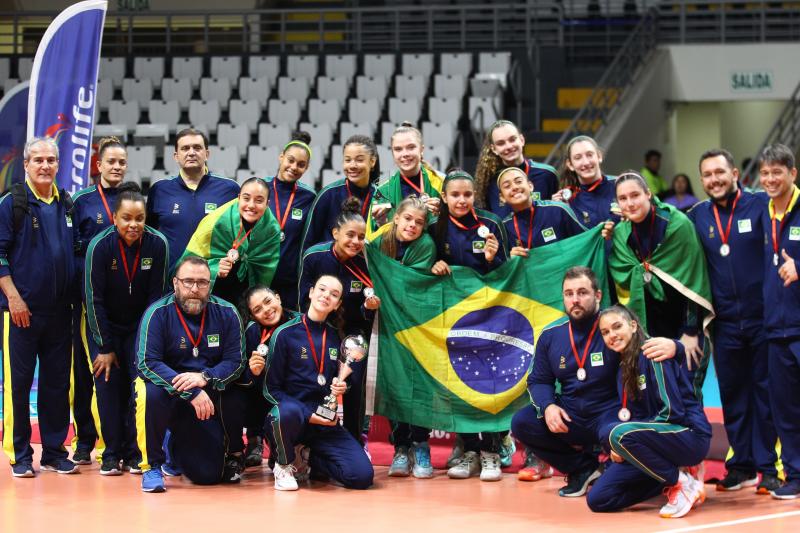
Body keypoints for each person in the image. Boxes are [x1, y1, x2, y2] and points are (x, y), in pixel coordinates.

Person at [511, 266, 680, 498]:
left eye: (582, 292)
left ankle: (616, 470)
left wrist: (676, 347)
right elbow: (539, 380)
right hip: (571, 417)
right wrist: (548, 406)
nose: (575, 300)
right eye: (569, 294)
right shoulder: (551, 336)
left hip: (610, 416)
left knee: (618, 468)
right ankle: (583, 469)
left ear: (597, 296)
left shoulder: (612, 328)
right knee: (522, 422)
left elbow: (647, 348)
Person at [687, 149, 780, 494]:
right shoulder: (697, 215)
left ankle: (769, 468)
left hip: (764, 320)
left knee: (766, 394)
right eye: (707, 175)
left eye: (719, 172)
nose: (714, 179)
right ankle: (741, 465)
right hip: (724, 325)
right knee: (734, 395)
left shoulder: (759, 205)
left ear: (736, 173)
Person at [133, 256, 246, 492]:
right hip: (171, 393)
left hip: (207, 397)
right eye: (188, 282)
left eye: (202, 282)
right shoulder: (157, 313)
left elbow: (235, 362)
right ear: (175, 283)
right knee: (149, 393)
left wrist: (206, 377)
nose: (195, 289)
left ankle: (175, 446)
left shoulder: (227, 313)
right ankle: (152, 466)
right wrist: (191, 391)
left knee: (208, 475)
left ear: (210, 284)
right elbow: (147, 362)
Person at [0, 137, 78, 477]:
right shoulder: (12, 204)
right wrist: (14, 297)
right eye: (38, 160)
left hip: (61, 313)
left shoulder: (67, 203)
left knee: (57, 384)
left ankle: (54, 452)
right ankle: (19, 455)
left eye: (51, 160)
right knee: (18, 384)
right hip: (21, 313)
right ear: (27, 165)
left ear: (58, 165)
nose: (45, 165)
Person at [587, 305, 710, 518]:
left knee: (616, 433)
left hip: (687, 434)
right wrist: (626, 448)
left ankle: (683, 484)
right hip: (657, 441)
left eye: (617, 327)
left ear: (633, 325)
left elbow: (672, 412)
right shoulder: (623, 368)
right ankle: (672, 476)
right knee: (599, 498)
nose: (612, 335)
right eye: (605, 332)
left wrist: (627, 438)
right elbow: (636, 418)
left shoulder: (653, 351)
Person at [84, 183, 169, 475]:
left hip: (139, 328)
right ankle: (110, 453)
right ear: (115, 218)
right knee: (107, 388)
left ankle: (135, 453)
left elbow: (155, 299)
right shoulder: (100, 246)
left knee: (139, 387)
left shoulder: (158, 244)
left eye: (139, 218)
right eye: (127, 218)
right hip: (104, 328)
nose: (133, 225)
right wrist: (104, 347)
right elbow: (93, 298)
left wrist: (145, 342)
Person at [429, 169, 509, 481]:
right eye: (455, 195)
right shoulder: (437, 228)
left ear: (474, 195)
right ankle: (470, 451)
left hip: (488, 318)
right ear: (444, 198)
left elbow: (508, 275)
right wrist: (433, 264)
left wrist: (493, 259)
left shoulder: (492, 224)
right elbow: (426, 267)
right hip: (452, 319)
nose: (461, 200)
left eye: (467, 194)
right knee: (460, 384)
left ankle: (491, 453)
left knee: (488, 384)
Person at [264, 274, 374, 491]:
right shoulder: (285, 333)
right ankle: (283, 464)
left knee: (362, 477)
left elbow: (341, 380)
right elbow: (270, 389)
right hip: (292, 418)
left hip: (324, 422)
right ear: (311, 292)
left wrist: (344, 386)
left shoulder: (337, 337)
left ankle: (306, 457)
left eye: (334, 294)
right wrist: (306, 414)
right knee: (285, 413)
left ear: (337, 304)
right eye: (322, 290)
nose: (326, 296)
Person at [608, 171, 713, 395]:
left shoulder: (677, 225)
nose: (630, 202)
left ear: (649, 194)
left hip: (683, 325)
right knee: (655, 394)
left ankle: (696, 431)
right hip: (649, 326)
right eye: (623, 199)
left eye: (635, 195)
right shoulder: (621, 234)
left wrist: (690, 332)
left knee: (687, 392)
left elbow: (693, 280)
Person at [367, 196, 437, 479]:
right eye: (407, 219)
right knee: (394, 382)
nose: (412, 225)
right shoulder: (381, 238)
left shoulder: (426, 246)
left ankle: (421, 445)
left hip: (416, 324)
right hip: (385, 323)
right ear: (396, 217)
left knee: (418, 383)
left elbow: (412, 282)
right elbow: (366, 262)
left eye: (419, 223)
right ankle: (401, 447)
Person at [69, 136, 129, 465]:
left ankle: (118, 441)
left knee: (118, 375)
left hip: (125, 302)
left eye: (122, 162)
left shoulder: (134, 199)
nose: (117, 166)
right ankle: (83, 441)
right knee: (85, 371)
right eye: (111, 162)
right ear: (99, 165)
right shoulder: (82, 202)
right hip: (90, 302)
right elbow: (72, 247)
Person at [298, 198, 376, 444]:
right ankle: (311, 437)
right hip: (320, 328)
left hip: (353, 331)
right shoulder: (314, 257)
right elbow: (303, 301)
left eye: (361, 236)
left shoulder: (366, 262)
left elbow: (367, 312)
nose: (356, 241)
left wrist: (367, 307)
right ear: (335, 234)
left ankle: (354, 438)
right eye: (350, 235)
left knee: (354, 376)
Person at [757, 143, 800, 499]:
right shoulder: (761, 211)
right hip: (776, 329)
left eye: (777, 172)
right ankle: (797, 476)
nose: (770, 179)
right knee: (785, 409)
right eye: (765, 172)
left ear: (792, 173)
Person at [146, 128, 239, 273]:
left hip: (215, 281)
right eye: (185, 148)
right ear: (176, 156)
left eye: (197, 148)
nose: (191, 152)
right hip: (171, 281)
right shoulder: (159, 190)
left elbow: (240, 235)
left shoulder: (230, 189)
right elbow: (148, 236)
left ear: (207, 154)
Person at [180, 177, 281, 307]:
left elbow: (266, 269)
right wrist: (214, 267)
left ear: (267, 204)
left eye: (259, 201)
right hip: (214, 294)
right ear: (239, 198)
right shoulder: (215, 223)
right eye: (246, 198)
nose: (251, 205)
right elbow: (186, 265)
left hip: (246, 296)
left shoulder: (272, 229)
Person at [238, 285, 298, 468]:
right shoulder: (252, 332)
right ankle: (255, 439)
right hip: (264, 391)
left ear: (278, 298)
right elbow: (241, 375)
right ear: (252, 315)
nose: (266, 310)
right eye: (257, 310)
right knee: (247, 388)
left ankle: (284, 445)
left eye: (268, 301)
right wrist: (253, 373)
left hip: (293, 389)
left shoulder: (300, 323)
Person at [265, 132, 318, 308]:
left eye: (301, 164)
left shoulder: (309, 197)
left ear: (307, 168)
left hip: (291, 281)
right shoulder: (261, 188)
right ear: (281, 157)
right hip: (259, 276)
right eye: (291, 160)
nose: (294, 167)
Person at [301, 134, 379, 252]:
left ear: (372, 161)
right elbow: (308, 243)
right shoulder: (328, 195)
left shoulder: (380, 196)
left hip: (365, 269)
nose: (352, 165)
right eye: (348, 160)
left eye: (359, 160)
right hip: (329, 268)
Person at [366, 122, 442, 240]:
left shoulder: (441, 183)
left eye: (411, 147)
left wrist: (444, 212)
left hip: (436, 256)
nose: (405, 154)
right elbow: (370, 241)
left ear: (421, 149)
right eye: (398, 149)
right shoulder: (383, 192)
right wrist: (381, 224)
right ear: (392, 153)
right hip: (395, 257)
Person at [474, 119, 559, 218]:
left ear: (522, 140)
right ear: (494, 149)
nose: (509, 146)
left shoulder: (547, 174)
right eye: (501, 143)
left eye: (512, 139)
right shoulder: (488, 181)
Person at [497, 166, 586, 256]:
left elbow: (585, 239)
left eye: (519, 181)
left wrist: (599, 231)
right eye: (507, 186)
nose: (514, 187)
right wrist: (511, 259)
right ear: (502, 198)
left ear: (530, 186)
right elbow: (501, 264)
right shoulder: (504, 228)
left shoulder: (558, 210)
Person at [553, 135, 620, 229]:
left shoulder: (620, 185)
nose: (586, 162)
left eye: (589, 155)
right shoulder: (568, 201)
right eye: (578, 158)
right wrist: (556, 211)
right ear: (570, 164)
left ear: (599, 156)